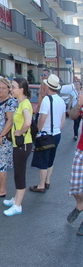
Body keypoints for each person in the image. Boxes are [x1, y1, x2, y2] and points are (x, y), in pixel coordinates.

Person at [29, 74, 66, 193]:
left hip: (46, 134)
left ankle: (41, 185)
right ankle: (47, 181)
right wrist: (56, 129)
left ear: (48, 87)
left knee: (43, 161)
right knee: (51, 159)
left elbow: (42, 118)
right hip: (56, 134)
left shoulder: (46, 100)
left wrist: (37, 132)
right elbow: (63, 120)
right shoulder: (60, 100)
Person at [2, 77, 33, 216]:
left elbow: (28, 122)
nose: (11, 89)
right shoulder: (21, 103)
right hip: (19, 144)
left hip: (23, 144)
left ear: (21, 89)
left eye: (13, 87)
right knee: (17, 173)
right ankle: (16, 199)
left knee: (20, 175)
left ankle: (18, 205)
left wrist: (19, 132)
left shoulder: (25, 104)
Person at [67, 91, 83, 235]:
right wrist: (78, 104)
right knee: (75, 184)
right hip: (81, 149)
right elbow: (72, 116)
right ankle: (80, 204)